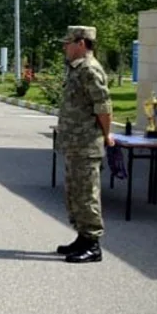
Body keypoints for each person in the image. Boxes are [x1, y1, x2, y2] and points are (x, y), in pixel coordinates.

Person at [56, 25, 112, 264]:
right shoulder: (75, 69)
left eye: (68, 43)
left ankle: (92, 245)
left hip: (86, 144)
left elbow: (103, 107)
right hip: (74, 143)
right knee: (75, 194)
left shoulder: (90, 69)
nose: (64, 47)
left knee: (87, 195)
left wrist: (106, 135)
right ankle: (82, 237)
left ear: (81, 43)